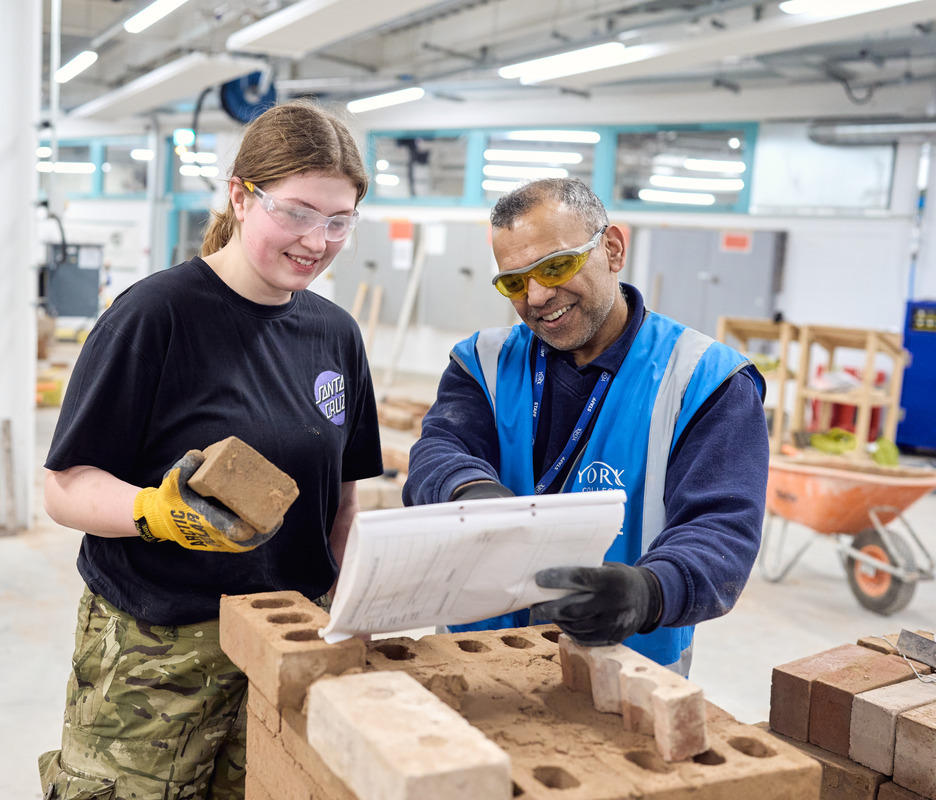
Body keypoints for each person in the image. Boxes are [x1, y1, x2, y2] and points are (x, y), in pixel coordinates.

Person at [39, 101, 382, 799]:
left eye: (339, 220)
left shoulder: (335, 336)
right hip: (157, 653)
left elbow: (343, 499)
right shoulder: (156, 314)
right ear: (239, 195)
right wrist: (153, 511)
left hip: (288, 642)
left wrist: (348, 607)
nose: (317, 240)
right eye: (296, 212)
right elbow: (63, 486)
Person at [403, 178, 768, 675]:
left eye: (556, 266)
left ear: (613, 249)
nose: (537, 296)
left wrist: (647, 593)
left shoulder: (705, 381)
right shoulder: (483, 363)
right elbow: (439, 449)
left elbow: (721, 530)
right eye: (514, 281)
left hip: (624, 671)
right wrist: (468, 491)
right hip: (477, 657)